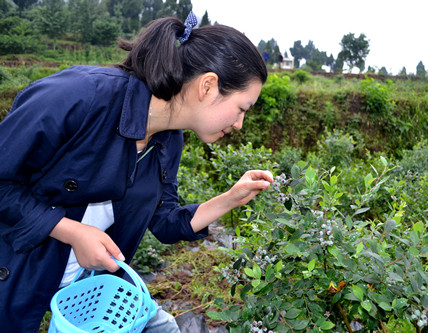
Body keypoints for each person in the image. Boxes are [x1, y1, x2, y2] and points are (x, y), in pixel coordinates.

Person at [0, 12, 272, 332]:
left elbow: (166, 224)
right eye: (241, 108)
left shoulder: (169, 139)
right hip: (18, 273)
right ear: (208, 86)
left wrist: (230, 199)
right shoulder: (79, 96)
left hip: (93, 289)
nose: (239, 124)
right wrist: (71, 232)